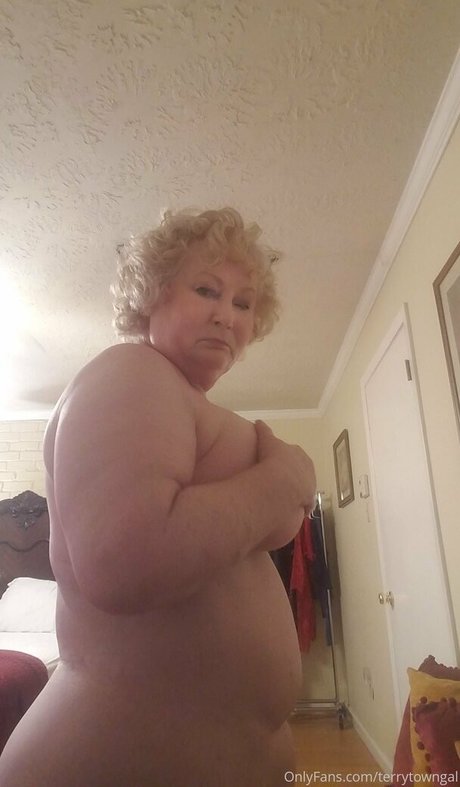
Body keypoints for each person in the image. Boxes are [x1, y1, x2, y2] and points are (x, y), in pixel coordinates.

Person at [0, 207, 316, 787]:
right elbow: (127, 560)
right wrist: (285, 479)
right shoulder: (132, 371)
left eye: (244, 303)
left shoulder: (183, 402)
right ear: (151, 294)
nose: (226, 315)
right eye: (207, 290)